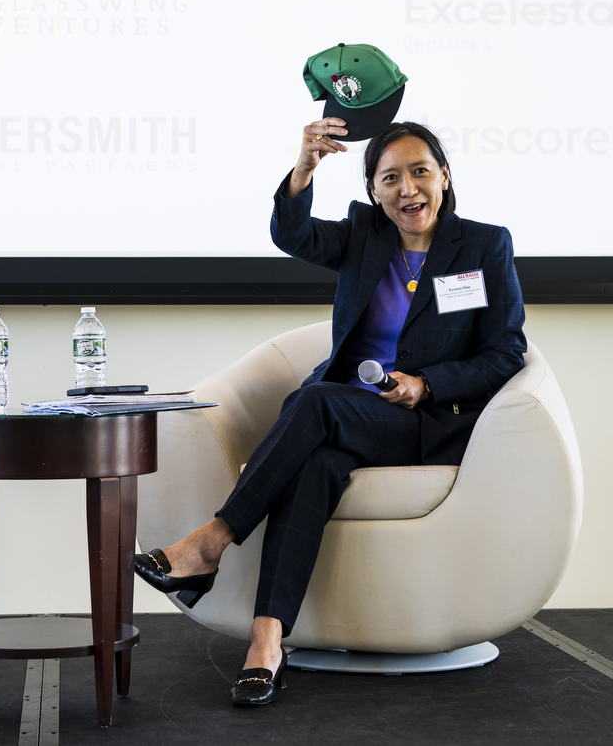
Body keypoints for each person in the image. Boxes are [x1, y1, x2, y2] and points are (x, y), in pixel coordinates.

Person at [134, 119, 526, 707]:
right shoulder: (365, 235)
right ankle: (265, 644)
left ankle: (211, 541)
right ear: (374, 191)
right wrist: (305, 169)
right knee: (314, 467)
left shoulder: (483, 245)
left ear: (444, 176)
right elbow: (292, 235)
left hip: (425, 421)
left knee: (314, 403)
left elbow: (506, 351)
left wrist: (427, 382)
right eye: (390, 178)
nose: (407, 188)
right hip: (349, 414)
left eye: (420, 171)